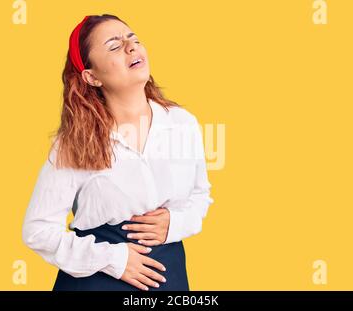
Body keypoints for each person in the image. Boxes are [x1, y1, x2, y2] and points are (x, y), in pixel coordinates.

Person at [22, 14, 214, 291]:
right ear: (91, 76)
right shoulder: (75, 141)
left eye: (134, 39)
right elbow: (38, 231)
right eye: (114, 45)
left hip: (168, 274)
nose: (131, 47)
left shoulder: (182, 123)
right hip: (97, 281)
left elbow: (200, 195)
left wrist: (175, 223)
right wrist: (114, 258)